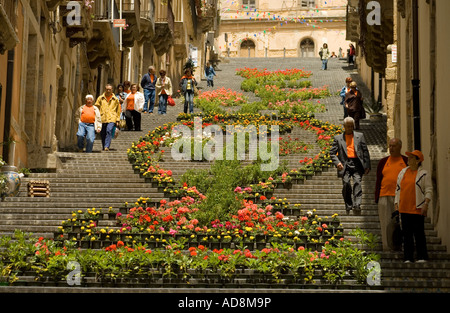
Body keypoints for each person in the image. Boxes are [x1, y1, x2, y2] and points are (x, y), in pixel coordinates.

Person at [394, 150, 432, 263]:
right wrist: (396, 204)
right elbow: (398, 189)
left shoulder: (424, 174)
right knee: (407, 234)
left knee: (419, 233)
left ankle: (422, 256)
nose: (408, 159)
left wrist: (426, 204)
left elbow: (429, 190)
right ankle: (408, 257)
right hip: (404, 208)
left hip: (417, 208)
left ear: (418, 160)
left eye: (411, 158)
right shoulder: (402, 172)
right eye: (408, 157)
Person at [329, 117, 371, 213]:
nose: (350, 128)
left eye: (351, 126)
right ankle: (348, 204)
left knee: (357, 183)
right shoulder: (338, 138)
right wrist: (337, 162)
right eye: (348, 126)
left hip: (357, 163)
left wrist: (367, 165)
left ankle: (357, 205)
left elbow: (365, 151)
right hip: (345, 164)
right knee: (346, 184)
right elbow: (332, 153)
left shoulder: (360, 136)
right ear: (344, 126)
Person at [375, 138, 408, 251]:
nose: (391, 148)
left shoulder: (406, 161)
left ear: (400, 147)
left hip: (402, 197)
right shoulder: (383, 162)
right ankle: (387, 247)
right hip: (384, 196)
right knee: (386, 223)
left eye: (394, 146)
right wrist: (377, 197)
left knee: (403, 223)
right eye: (390, 146)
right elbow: (378, 180)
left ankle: (402, 245)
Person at [95, 84, 121, 151]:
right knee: (103, 133)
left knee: (109, 130)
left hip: (112, 117)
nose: (108, 91)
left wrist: (118, 120)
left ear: (112, 90)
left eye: (110, 89)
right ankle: (104, 146)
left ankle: (107, 146)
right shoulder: (100, 98)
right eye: (107, 89)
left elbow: (118, 110)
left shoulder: (115, 99)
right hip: (102, 118)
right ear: (105, 89)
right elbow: (96, 108)